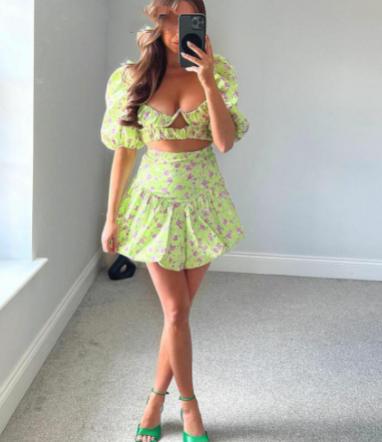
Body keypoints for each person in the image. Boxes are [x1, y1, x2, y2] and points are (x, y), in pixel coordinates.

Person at [100, 1, 250, 441]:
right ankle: (189, 407)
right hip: (154, 203)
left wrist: (208, 80)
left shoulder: (218, 73)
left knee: (177, 316)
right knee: (176, 311)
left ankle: (154, 401)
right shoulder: (132, 77)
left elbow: (224, 142)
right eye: (168, 16)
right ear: (157, 18)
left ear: (199, 22)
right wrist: (112, 218)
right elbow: (125, 152)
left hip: (204, 201)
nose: (176, 28)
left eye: (188, 18)